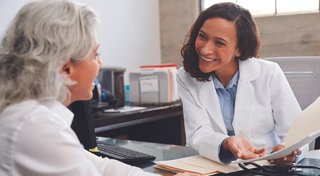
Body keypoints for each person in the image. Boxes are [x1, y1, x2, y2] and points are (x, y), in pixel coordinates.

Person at [0, 0, 198, 176]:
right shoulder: (36, 127)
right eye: (95, 54)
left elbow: (98, 166)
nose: (100, 63)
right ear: (66, 69)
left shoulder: (31, 114)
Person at [177, 2, 304, 166]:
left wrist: (287, 151)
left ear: (239, 49)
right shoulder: (185, 77)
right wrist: (225, 142)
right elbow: (198, 133)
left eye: (219, 43)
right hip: (216, 166)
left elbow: (296, 131)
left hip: (267, 165)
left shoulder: (269, 73)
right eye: (202, 36)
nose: (205, 50)